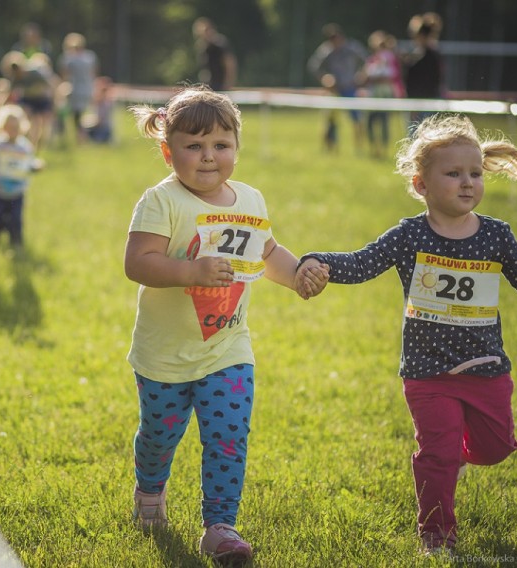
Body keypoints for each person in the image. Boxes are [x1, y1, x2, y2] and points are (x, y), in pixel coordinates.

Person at [296, 114, 517, 556]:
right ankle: (436, 536)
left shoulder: (496, 236)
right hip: (427, 373)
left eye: (474, 173)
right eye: (453, 174)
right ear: (421, 184)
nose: (467, 183)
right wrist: (319, 262)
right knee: (436, 454)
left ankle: (456, 455)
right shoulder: (410, 235)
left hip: (486, 368)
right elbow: (363, 262)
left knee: (495, 447)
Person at [124, 85, 329, 565]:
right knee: (160, 434)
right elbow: (138, 262)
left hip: (227, 348)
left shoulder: (250, 199)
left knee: (228, 435)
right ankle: (150, 492)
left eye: (221, 145)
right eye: (193, 146)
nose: (208, 157)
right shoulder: (162, 201)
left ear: (237, 146)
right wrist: (190, 271)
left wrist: (297, 273)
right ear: (167, 150)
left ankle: (220, 525)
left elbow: (267, 252)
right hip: (164, 355)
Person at [0, 104, 43, 247]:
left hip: (17, 190)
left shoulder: (24, 146)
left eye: (15, 127)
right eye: (9, 127)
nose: (12, 131)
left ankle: (16, 240)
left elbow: (30, 162)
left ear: (21, 128)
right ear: (2, 127)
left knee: (16, 218)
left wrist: (37, 166)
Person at [307, 23, 368, 153]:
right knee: (330, 121)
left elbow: (368, 61)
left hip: (350, 88)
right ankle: (329, 149)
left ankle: (359, 148)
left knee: (357, 119)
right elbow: (313, 66)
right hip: (334, 89)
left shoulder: (353, 47)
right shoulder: (326, 49)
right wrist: (325, 77)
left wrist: (362, 75)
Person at [361, 30, 405, 159]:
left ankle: (383, 150)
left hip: (384, 95)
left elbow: (392, 76)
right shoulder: (371, 60)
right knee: (370, 123)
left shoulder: (390, 59)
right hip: (373, 95)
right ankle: (374, 149)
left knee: (384, 122)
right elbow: (366, 77)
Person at [403, 12, 444, 133]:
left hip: (422, 102)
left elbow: (416, 82)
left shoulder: (423, 58)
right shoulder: (434, 55)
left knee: (418, 136)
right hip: (430, 100)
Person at [58, 32, 97, 144]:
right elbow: (93, 74)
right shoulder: (90, 57)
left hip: (74, 90)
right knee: (80, 115)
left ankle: (76, 137)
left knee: (73, 115)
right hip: (86, 89)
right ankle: (80, 138)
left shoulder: (67, 58)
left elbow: (64, 75)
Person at [192, 17, 237, 91]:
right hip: (209, 85)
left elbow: (230, 65)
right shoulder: (203, 48)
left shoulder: (220, 44)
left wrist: (229, 83)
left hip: (221, 85)